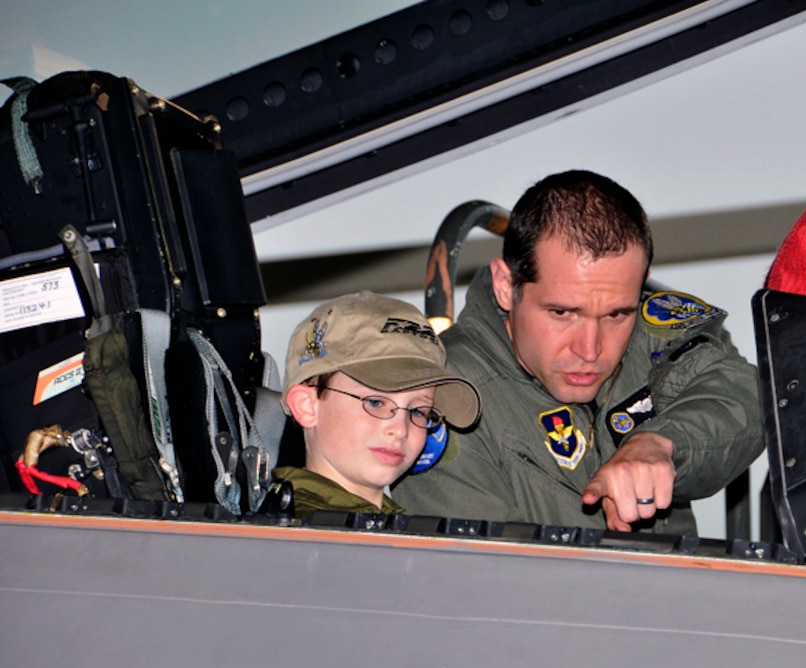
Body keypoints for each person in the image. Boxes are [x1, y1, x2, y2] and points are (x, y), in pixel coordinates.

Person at [393, 170, 764, 536]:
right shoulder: (446, 393)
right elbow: (473, 581)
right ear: (507, 286)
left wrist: (661, 443)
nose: (590, 350)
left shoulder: (650, 336)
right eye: (562, 313)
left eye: (617, 314)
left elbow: (745, 393)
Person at [273, 291, 481, 519]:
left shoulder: (392, 529)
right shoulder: (293, 539)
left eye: (418, 411)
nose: (400, 430)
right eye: (375, 402)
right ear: (307, 406)